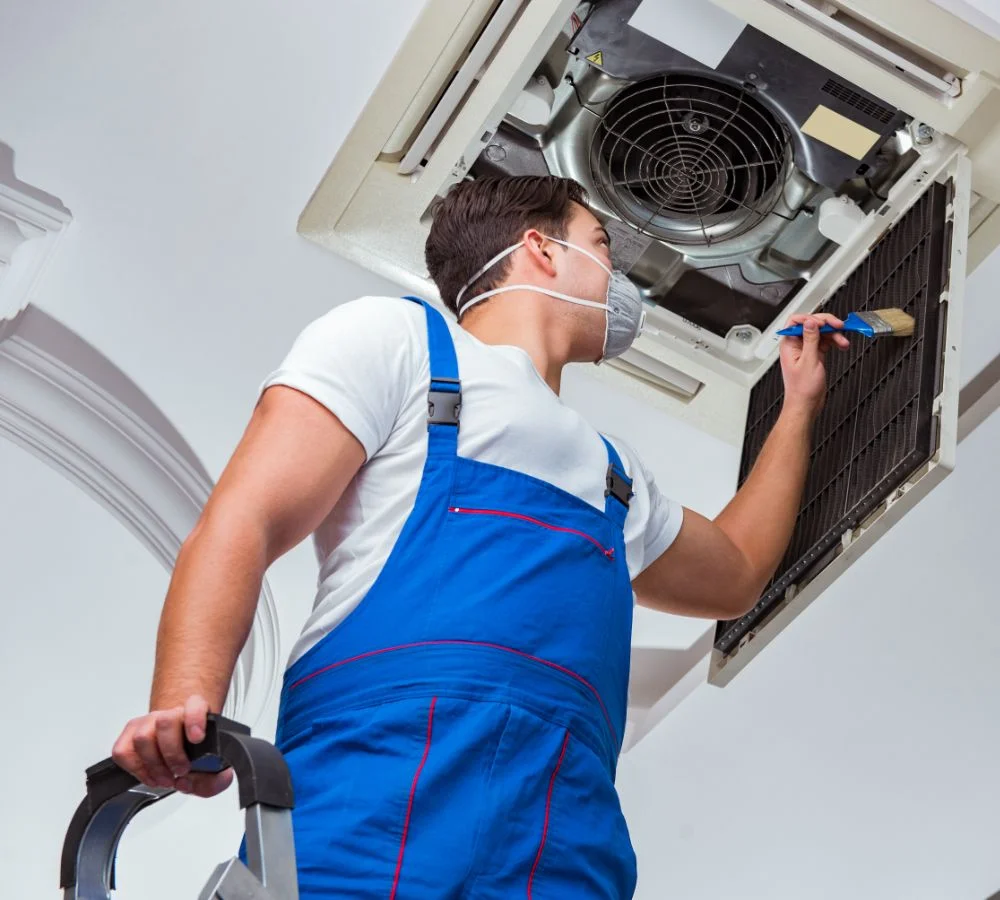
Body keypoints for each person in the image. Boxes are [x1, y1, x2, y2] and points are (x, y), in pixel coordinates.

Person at [111, 175, 848, 897]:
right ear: (542, 250)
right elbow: (246, 518)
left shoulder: (619, 476)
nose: (621, 285)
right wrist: (188, 706)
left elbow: (739, 572)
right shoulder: (399, 341)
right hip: (377, 787)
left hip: (565, 824)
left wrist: (798, 408)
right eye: (602, 246)